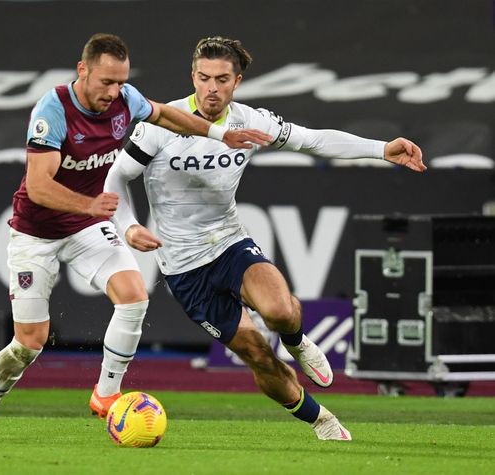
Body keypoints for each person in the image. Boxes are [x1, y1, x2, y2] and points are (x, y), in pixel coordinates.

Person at [104, 36, 426, 441]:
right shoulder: (161, 123)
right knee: (257, 353)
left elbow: (312, 139)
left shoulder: (250, 122)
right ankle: (320, 420)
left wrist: (382, 149)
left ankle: (297, 342)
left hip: (229, 242)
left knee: (280, 311)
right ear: (193, 77)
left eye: (222, 79)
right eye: (204, 78)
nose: (212, 88)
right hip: (183, 268)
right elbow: (115, 177)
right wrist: (129, 224)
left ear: (237, 81)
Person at [0, 33, 269, 442]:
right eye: (106, 82)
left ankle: (106, 395)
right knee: (29, 342)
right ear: (82, 70)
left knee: (134, 295)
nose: (114, 91)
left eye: (121, 82)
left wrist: (217, 134)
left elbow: (166, 116)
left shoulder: (124, 101)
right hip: (36, 234)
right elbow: (37, 187)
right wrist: (90, 205)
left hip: (87, 226)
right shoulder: (53, 111)